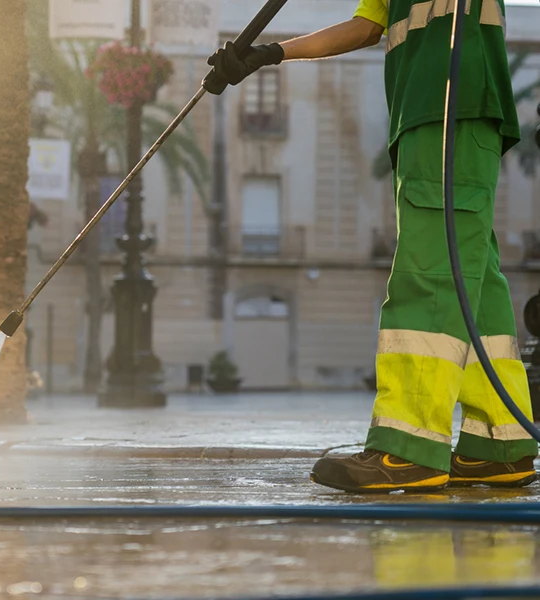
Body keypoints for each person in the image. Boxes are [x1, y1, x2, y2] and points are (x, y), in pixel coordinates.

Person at [204, 0, 538, 493]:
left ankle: (408, 448)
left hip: (452, 107)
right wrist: (270, 54)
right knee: (475, 285)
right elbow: (366, 27)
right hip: (430, 117)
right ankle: (500, 447)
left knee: (429, 273)